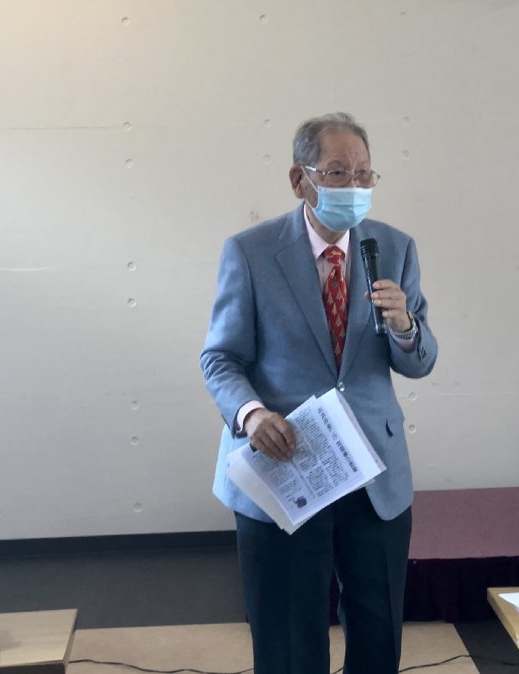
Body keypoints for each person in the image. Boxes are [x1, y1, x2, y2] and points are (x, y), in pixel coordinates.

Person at [199, 112, 438, 674]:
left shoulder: (394, 247)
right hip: (286, 465)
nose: (353, 186)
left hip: (372, 470)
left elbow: (421, 361)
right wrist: (251, 415)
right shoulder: (251, 252)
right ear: (299, 179)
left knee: (378, 633)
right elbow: (220, 359)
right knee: (289, 639)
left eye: (363, 174)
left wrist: (405, 325)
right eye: (336, 173)